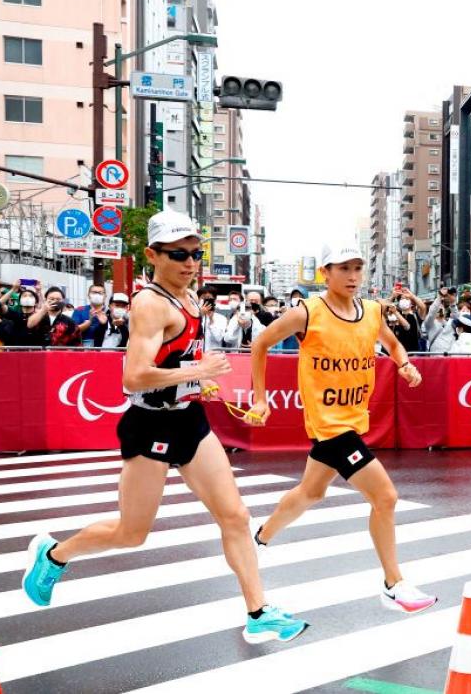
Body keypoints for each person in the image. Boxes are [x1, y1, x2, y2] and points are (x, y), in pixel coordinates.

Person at [21, 210, 307, 643]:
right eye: (179, 255)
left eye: (196, 253)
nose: (191, 263)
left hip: (189, 421)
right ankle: (54, 555)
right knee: (131, 533)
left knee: (235, 515)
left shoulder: (192, 298)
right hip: (149, 425)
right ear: (153, 255)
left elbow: (176, 362)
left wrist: (200, 381)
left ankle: (258, 612)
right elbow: (133, 377)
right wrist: (196, 370)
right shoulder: (150, 304)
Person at [246, 240, 436, 617]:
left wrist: (405, 365)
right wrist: (261, 398)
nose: (351, 276)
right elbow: (260, 343)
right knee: (385, 497)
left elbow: (394, 345)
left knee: (310, 492)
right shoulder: (307, 312)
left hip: (353, 420)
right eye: (343, 268)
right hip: (329, 426)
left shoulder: (370, 312)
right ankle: (393, 585)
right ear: (326, 274)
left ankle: (260, 537)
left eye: (357, 268)